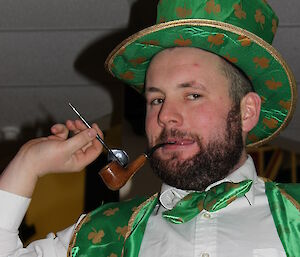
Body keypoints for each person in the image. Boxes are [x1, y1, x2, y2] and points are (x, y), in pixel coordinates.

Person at [1, 0, 299, 256]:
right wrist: (28, 162)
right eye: (156, 99)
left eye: (193, 95)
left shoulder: (294, 216)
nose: (165, 115)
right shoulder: (104, 237)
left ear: (247, 111)